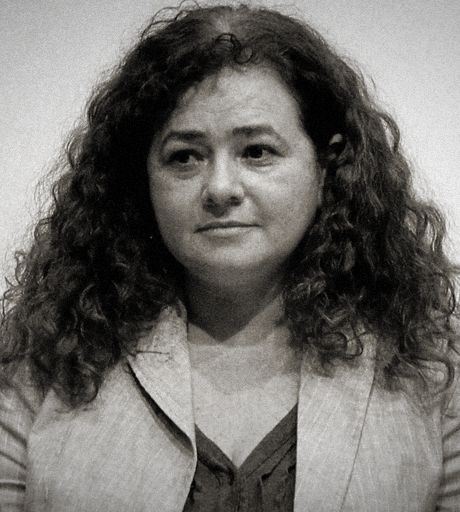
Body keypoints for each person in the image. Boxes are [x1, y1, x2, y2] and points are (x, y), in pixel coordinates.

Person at [1, 3, 459, 511]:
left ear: (327, 169)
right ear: (141, 181)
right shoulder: (43, 360)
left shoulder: (433, 365)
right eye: (185, 156)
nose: (220, 188)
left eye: (256, 151)